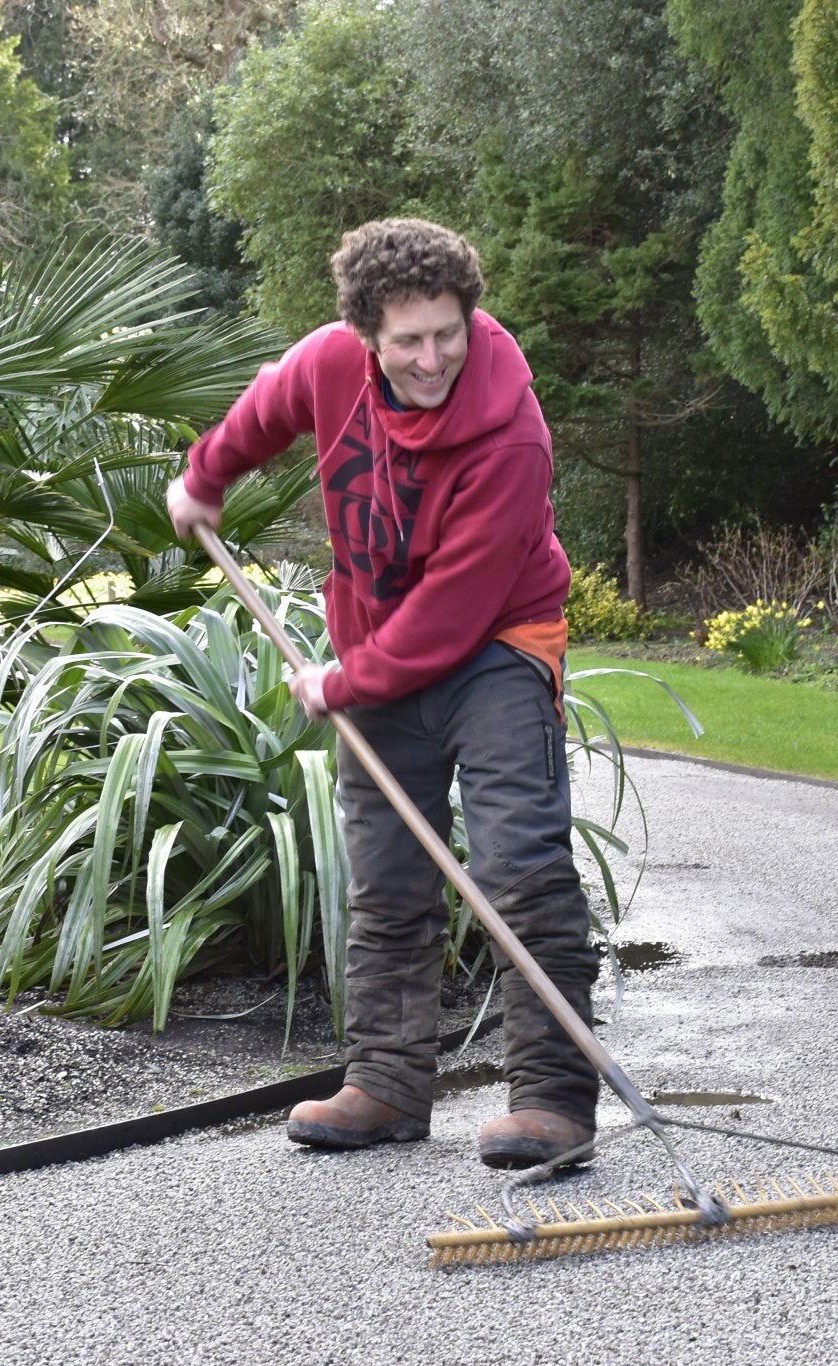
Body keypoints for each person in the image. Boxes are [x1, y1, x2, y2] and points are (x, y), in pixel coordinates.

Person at [166, 218, 598, 1169]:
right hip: (376, 648)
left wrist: (341, 680)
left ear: (467, 318)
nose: (432, 356)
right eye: (408, 340)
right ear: (367, 334)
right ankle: (388, 1085)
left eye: (447, 332)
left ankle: (555, 1101)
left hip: (497, 648)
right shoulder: (329, 364)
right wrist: (206, 477)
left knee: (520, 863)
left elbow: (454, 610)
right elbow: (267, 409)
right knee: (389, 876)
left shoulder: (511, 434)